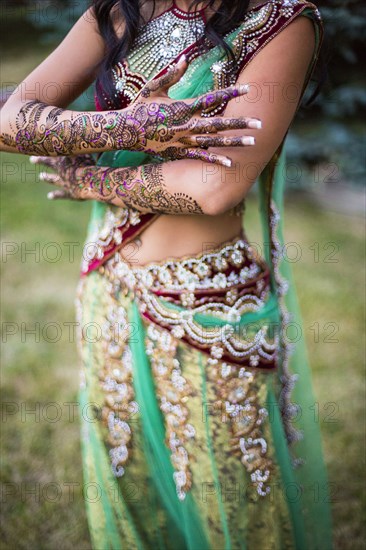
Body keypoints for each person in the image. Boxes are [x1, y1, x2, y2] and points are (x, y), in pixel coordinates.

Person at [0, 0, 334, 548]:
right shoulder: (123, 9)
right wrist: (124, 127)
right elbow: (12, 119)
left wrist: (91, 182)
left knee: (233, 504)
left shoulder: (281, 23)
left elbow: (214, 187)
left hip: (208, 306)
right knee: (128, 485)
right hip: (109, 288)